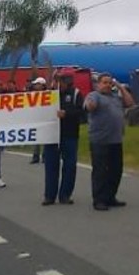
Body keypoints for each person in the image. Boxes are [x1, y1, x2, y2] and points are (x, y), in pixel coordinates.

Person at [84, 73, 134, 211]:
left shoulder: (116, 98)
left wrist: (121, 87)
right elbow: (90, 106)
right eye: (104, 82)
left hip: (115, 140)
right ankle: (99, 200)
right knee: (100, 171)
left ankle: (110, 197)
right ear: (98, 84)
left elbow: (130, 103)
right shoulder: (94, 95)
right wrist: (91, 105)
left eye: (109, 83)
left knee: (115, 171)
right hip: (100, 140)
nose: (107, 85)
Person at [43, 72, 82, 206]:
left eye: (63, 81)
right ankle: (49, 196)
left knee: (70, 166)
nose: (61, 84)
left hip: (70, 135)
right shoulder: (48, 94)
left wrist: (67, 114)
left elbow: (82, 113)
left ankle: (65, 194)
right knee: (51, 166)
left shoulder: (76, 94)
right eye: (58, 81)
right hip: (51, 135)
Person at [29, 76, 47, 163]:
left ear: (42, 85)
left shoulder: (48, 94)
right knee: (36, 138)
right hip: (36, 118)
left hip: (45, 118)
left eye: (37, 84)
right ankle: (35, 156)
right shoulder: (33, 95)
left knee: (45, 139)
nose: (35, 86)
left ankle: (44, 156)